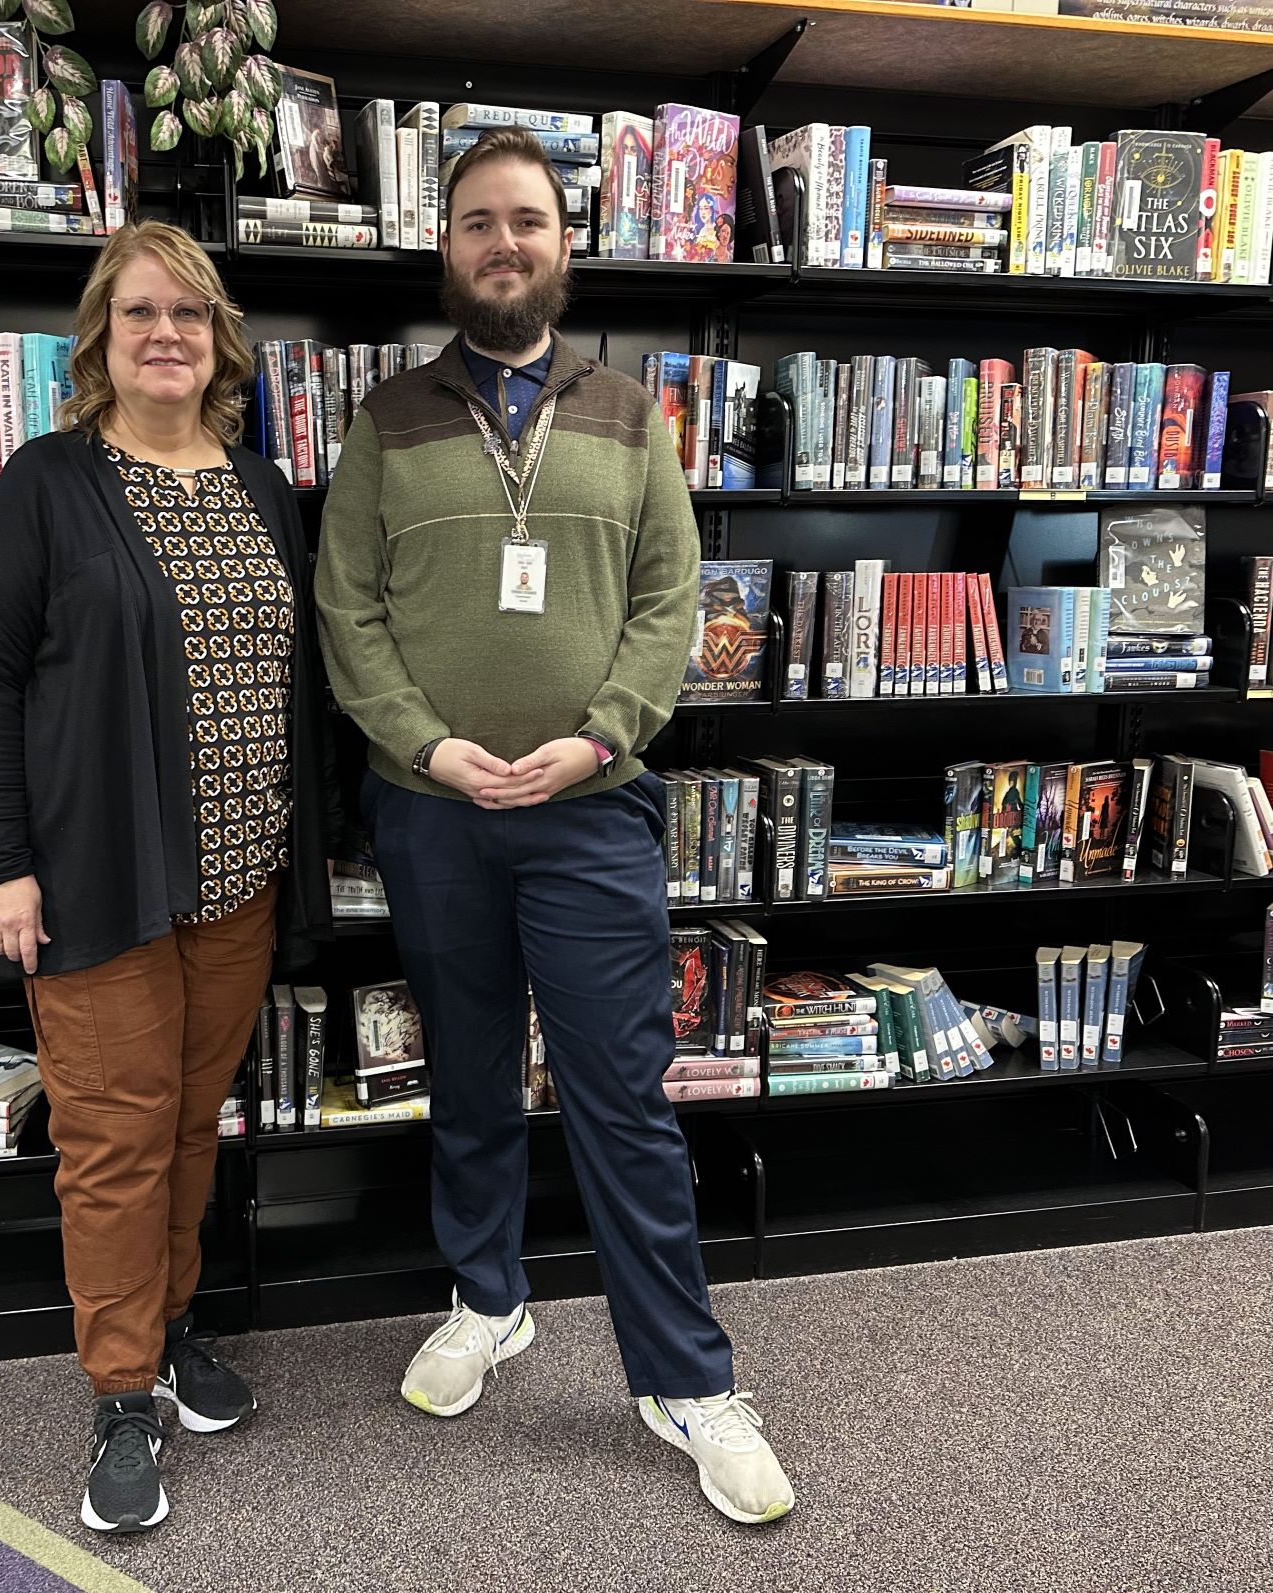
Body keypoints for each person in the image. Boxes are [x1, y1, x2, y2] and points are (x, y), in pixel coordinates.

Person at [315, 129, 794, 1526]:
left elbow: (671, 600)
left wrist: (597, 736)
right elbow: (347, 611)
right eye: (477, 221)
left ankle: (685, 1378)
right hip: (432, 812)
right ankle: (489, 1300)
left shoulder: (636, 415)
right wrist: (429, 746)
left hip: (591, 813)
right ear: (445, 244)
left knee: (623, 1103)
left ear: (564, 243)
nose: (503, 242)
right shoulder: (384, 420)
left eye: (527, 219)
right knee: (465, 1078)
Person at [0, 219, 340, 1536]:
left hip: (236, 882)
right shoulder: (49, 480)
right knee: (113, 1146)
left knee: (186, 1126)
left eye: (188, 313)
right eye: (138, 314)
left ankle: (170, 1328)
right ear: (102, 341)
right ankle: (121, 1391)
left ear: (217, 339)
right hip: (99, 880)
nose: (164, 333)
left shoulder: (262, 486)